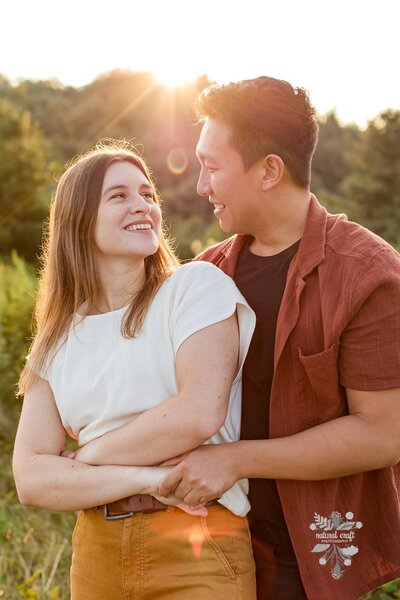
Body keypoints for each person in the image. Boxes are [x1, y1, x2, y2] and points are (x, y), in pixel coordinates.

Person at [158, 76, 400, 600]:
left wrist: (234, 459)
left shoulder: (368, 274)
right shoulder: (204, 275)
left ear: (269, 170)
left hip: (306, 551)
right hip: (208, 541)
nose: (201, 185)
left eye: (212, 165)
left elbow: (382, 435)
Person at [12, 141, 257, 599]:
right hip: (96, 550)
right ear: (79, 221)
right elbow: (31, 478)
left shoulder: (195, 287)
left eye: (147, 194)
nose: (143, 205)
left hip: (197, 540)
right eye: (119, 195)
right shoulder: (58, 335)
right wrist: (149, 479)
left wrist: (85, 459)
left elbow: (199, 413)